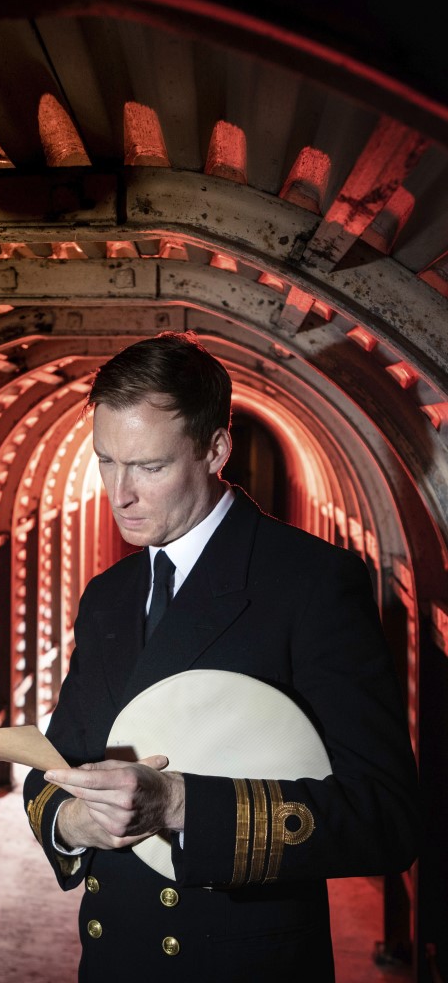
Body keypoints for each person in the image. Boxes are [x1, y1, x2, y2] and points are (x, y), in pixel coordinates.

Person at [23, 331, 419, 982]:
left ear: (216, 449)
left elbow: (385, 817)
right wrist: (70, 823)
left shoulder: (312, 584)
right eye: (105, 462)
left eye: (149, 467)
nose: (120, 494)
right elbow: (60, 760)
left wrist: (178, 806)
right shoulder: (107, 596)